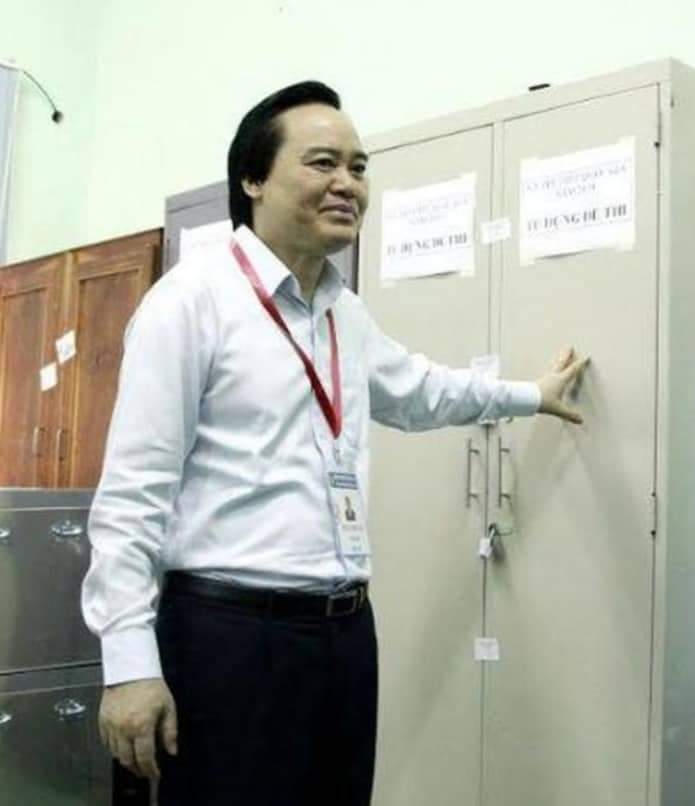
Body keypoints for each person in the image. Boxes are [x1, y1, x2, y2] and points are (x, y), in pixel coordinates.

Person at [81, 80, 590, 806]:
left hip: (344, 635)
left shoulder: (341, 312)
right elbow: (133, 496)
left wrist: (530, 395)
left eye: (358, 167)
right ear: (253, 179)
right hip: (228, 637)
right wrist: (129, 664)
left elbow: (420, 391)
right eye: (323, 163)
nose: (348, 183)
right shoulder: (190, 303)